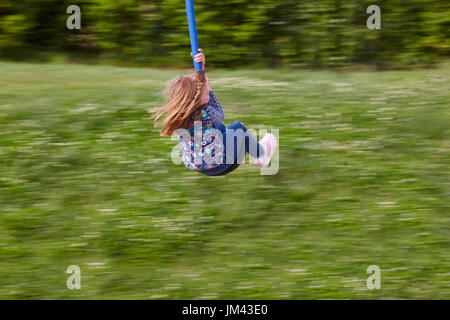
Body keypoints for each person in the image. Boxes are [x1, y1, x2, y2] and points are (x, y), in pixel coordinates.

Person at [152, 49, 277, 176]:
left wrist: (201, 69)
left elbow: (198, 85)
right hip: (219, 163)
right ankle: (261, 155)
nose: (208, 93)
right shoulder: (204, 113)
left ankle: (249, 147)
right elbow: (220, 115)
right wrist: (209, 89)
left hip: (203, 166)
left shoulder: (182, 115)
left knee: (220, 128)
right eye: (206, 93)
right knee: (237, 128)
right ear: (196, 99)